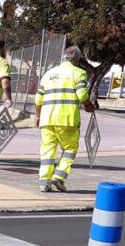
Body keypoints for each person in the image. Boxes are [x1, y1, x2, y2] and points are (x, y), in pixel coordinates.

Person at [34, 45, 96, 192]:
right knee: (70, 149)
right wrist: (88, 106)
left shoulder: (48, 74)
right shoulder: (79, 73)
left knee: (47, 151)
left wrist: (38, 116)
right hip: (67, 119)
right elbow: (82, 95)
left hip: (47, 119)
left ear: (64, 58)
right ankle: (59, 177)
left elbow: (38, 99)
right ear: (77, 59)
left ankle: (44, 182)